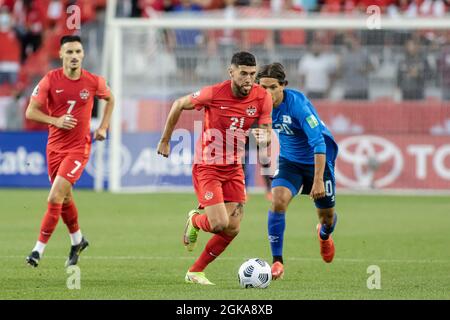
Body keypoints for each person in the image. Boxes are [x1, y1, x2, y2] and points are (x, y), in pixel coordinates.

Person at [157, 51, 272, 285]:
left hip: (234, 167)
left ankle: (195, 271)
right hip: (207, 165)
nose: (249, 79)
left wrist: (265, 138)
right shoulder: (213, 93)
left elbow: (266, 134)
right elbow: (179, 104)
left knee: (232, 228)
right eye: (243, 73)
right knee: (219, 223)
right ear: (231, 72)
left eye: (252, 74)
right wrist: (166, 139)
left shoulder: (262, 98)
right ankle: (195, 220)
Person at [25, 35, 115, 268]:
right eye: (70, 52)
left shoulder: (93, 81)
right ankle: (78, 240)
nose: (74, 56)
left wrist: (104, 126)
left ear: (83, 55)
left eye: (78, 52)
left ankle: (37, 250)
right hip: (54, 148)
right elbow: (31, 112)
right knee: (64, 198)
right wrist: (55, 120)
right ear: (61, 55)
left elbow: (110, 98)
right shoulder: (49, 80)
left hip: (78, 148)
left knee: (55, 196)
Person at [256, 62, 339, 280]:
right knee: (278, 201)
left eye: (272, 87)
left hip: (317, 162)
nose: (267, 93)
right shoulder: (257, 104)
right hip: (289, 162)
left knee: (327, 218)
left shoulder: (298, 106)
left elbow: (318, 143)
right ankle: (277, 262)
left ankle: (324, 236)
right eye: (263, 87)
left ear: (283, 86)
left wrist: (319, 180)